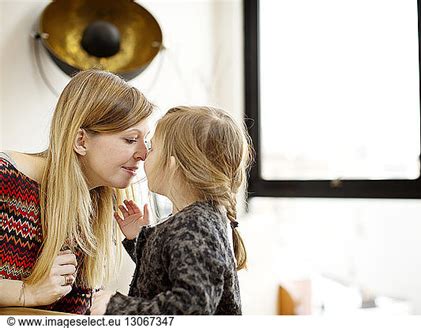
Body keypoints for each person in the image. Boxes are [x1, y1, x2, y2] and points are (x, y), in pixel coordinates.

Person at [0, 69, 154, 314]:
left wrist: (144, 246)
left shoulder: (98, 201)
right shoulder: (4, 175)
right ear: (81, 140)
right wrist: (26, 292)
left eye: (145, 140)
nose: (144, 154)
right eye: (129, 139)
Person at [90, 106, 253, 315]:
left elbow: (191, 308)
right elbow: (167, 269)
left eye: (153, 147)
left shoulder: (195, 227)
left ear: (173, 165)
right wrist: (139, 239)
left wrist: (114, 306)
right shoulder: (198, 220)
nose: (143, 155)